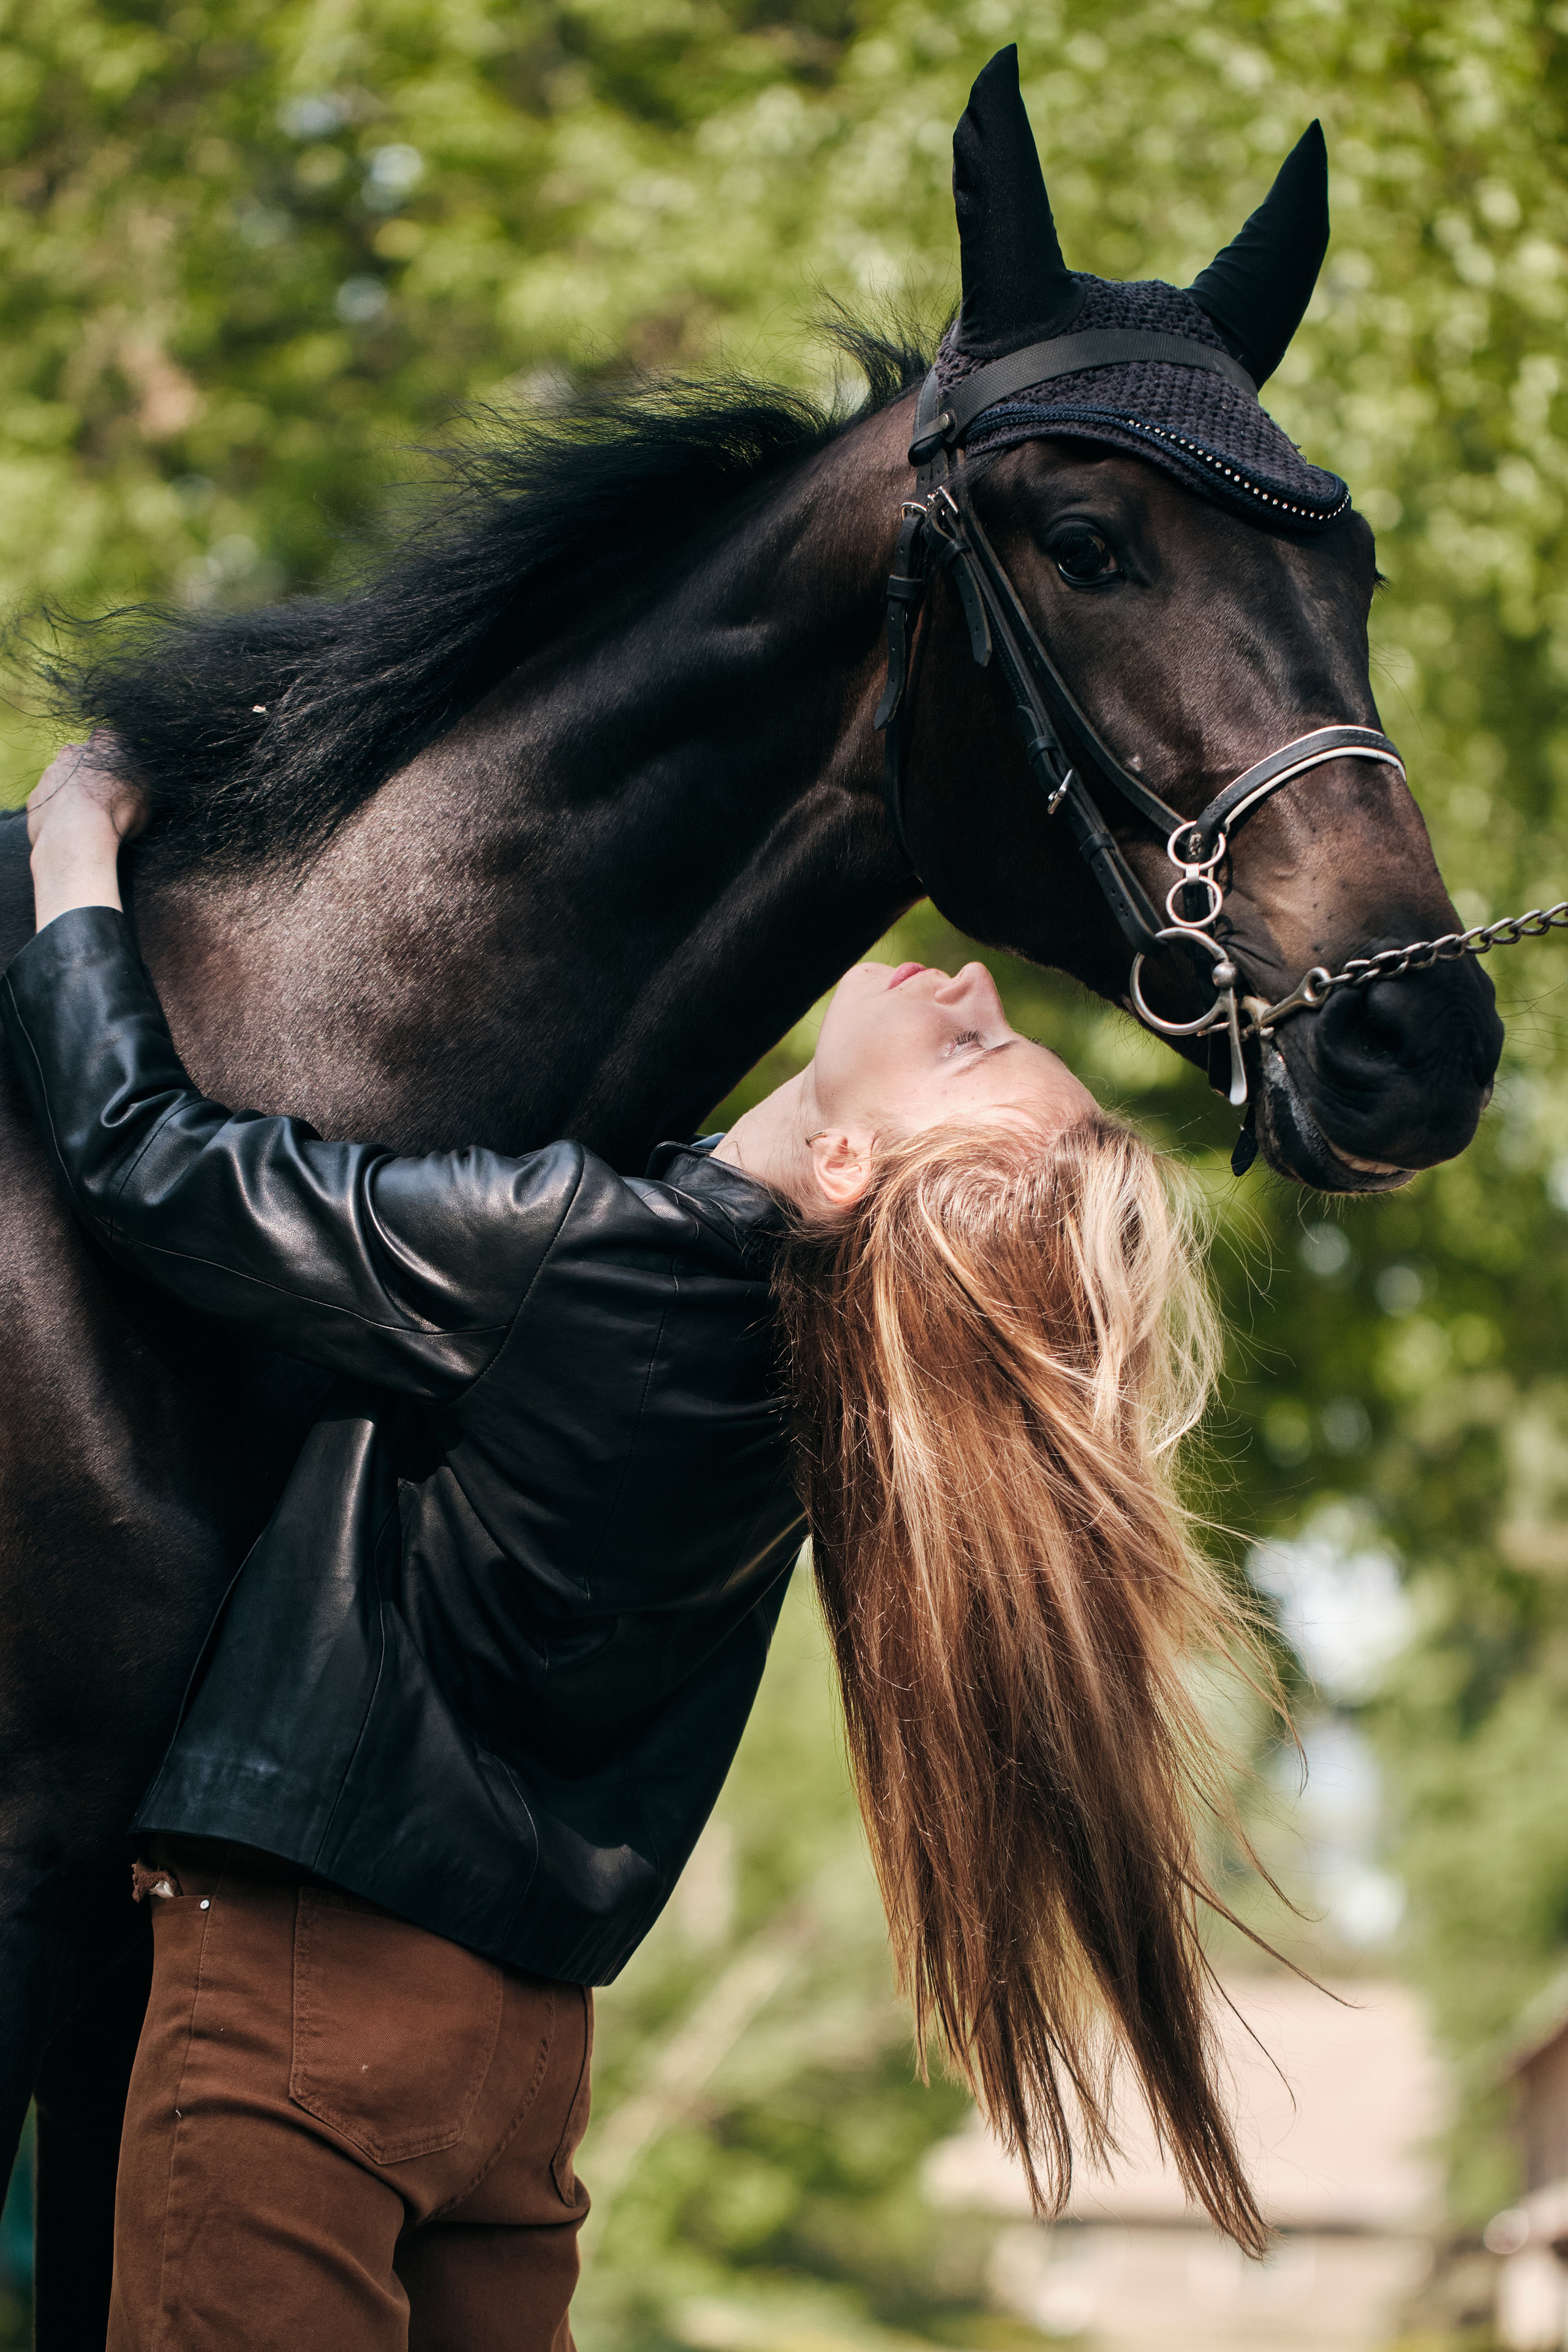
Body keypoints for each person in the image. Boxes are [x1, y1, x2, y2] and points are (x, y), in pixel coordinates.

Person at [6, 740, 1270, 2352]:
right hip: (523, 2068)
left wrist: (73, 853)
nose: (968, 987)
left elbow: (150, 1162)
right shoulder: (838, 1417)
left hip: (310, 2000)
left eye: (976, 1051)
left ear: (845, 1170)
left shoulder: (571, 1261)